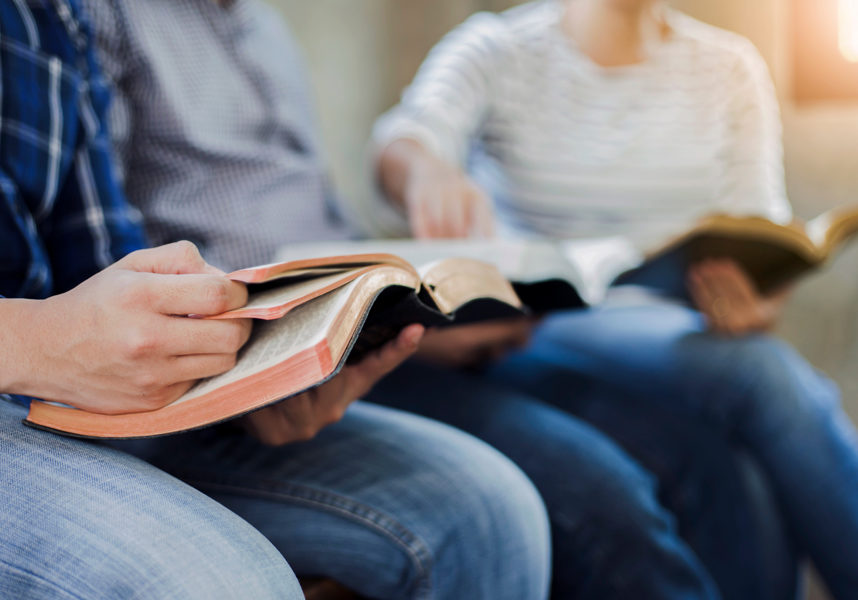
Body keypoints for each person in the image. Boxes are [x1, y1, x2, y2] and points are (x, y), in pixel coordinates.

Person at [84, 0, 804, 598]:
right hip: (270, 343)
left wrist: (423, 308)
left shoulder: (259, 25)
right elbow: (105, 263)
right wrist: (422, 185)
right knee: (614, 484)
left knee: (703, 459)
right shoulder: (104, 19)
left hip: (370, 322)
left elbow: (319, 224)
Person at [0, 2, 553, 599]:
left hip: (75, 401)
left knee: (486, 507)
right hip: (24, 381)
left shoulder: (56, 16)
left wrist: (244, 378)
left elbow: (99, 263)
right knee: (225, 584)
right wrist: (35, 341)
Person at [370, 0, 858, 598]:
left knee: (740, 460)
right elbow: (403, 139)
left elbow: (760, 233)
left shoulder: (727, 67)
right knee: (759, 374)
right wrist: (424, 170)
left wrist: (757, 305)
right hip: (542, 324)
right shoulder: (498, 50)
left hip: (682, 330)